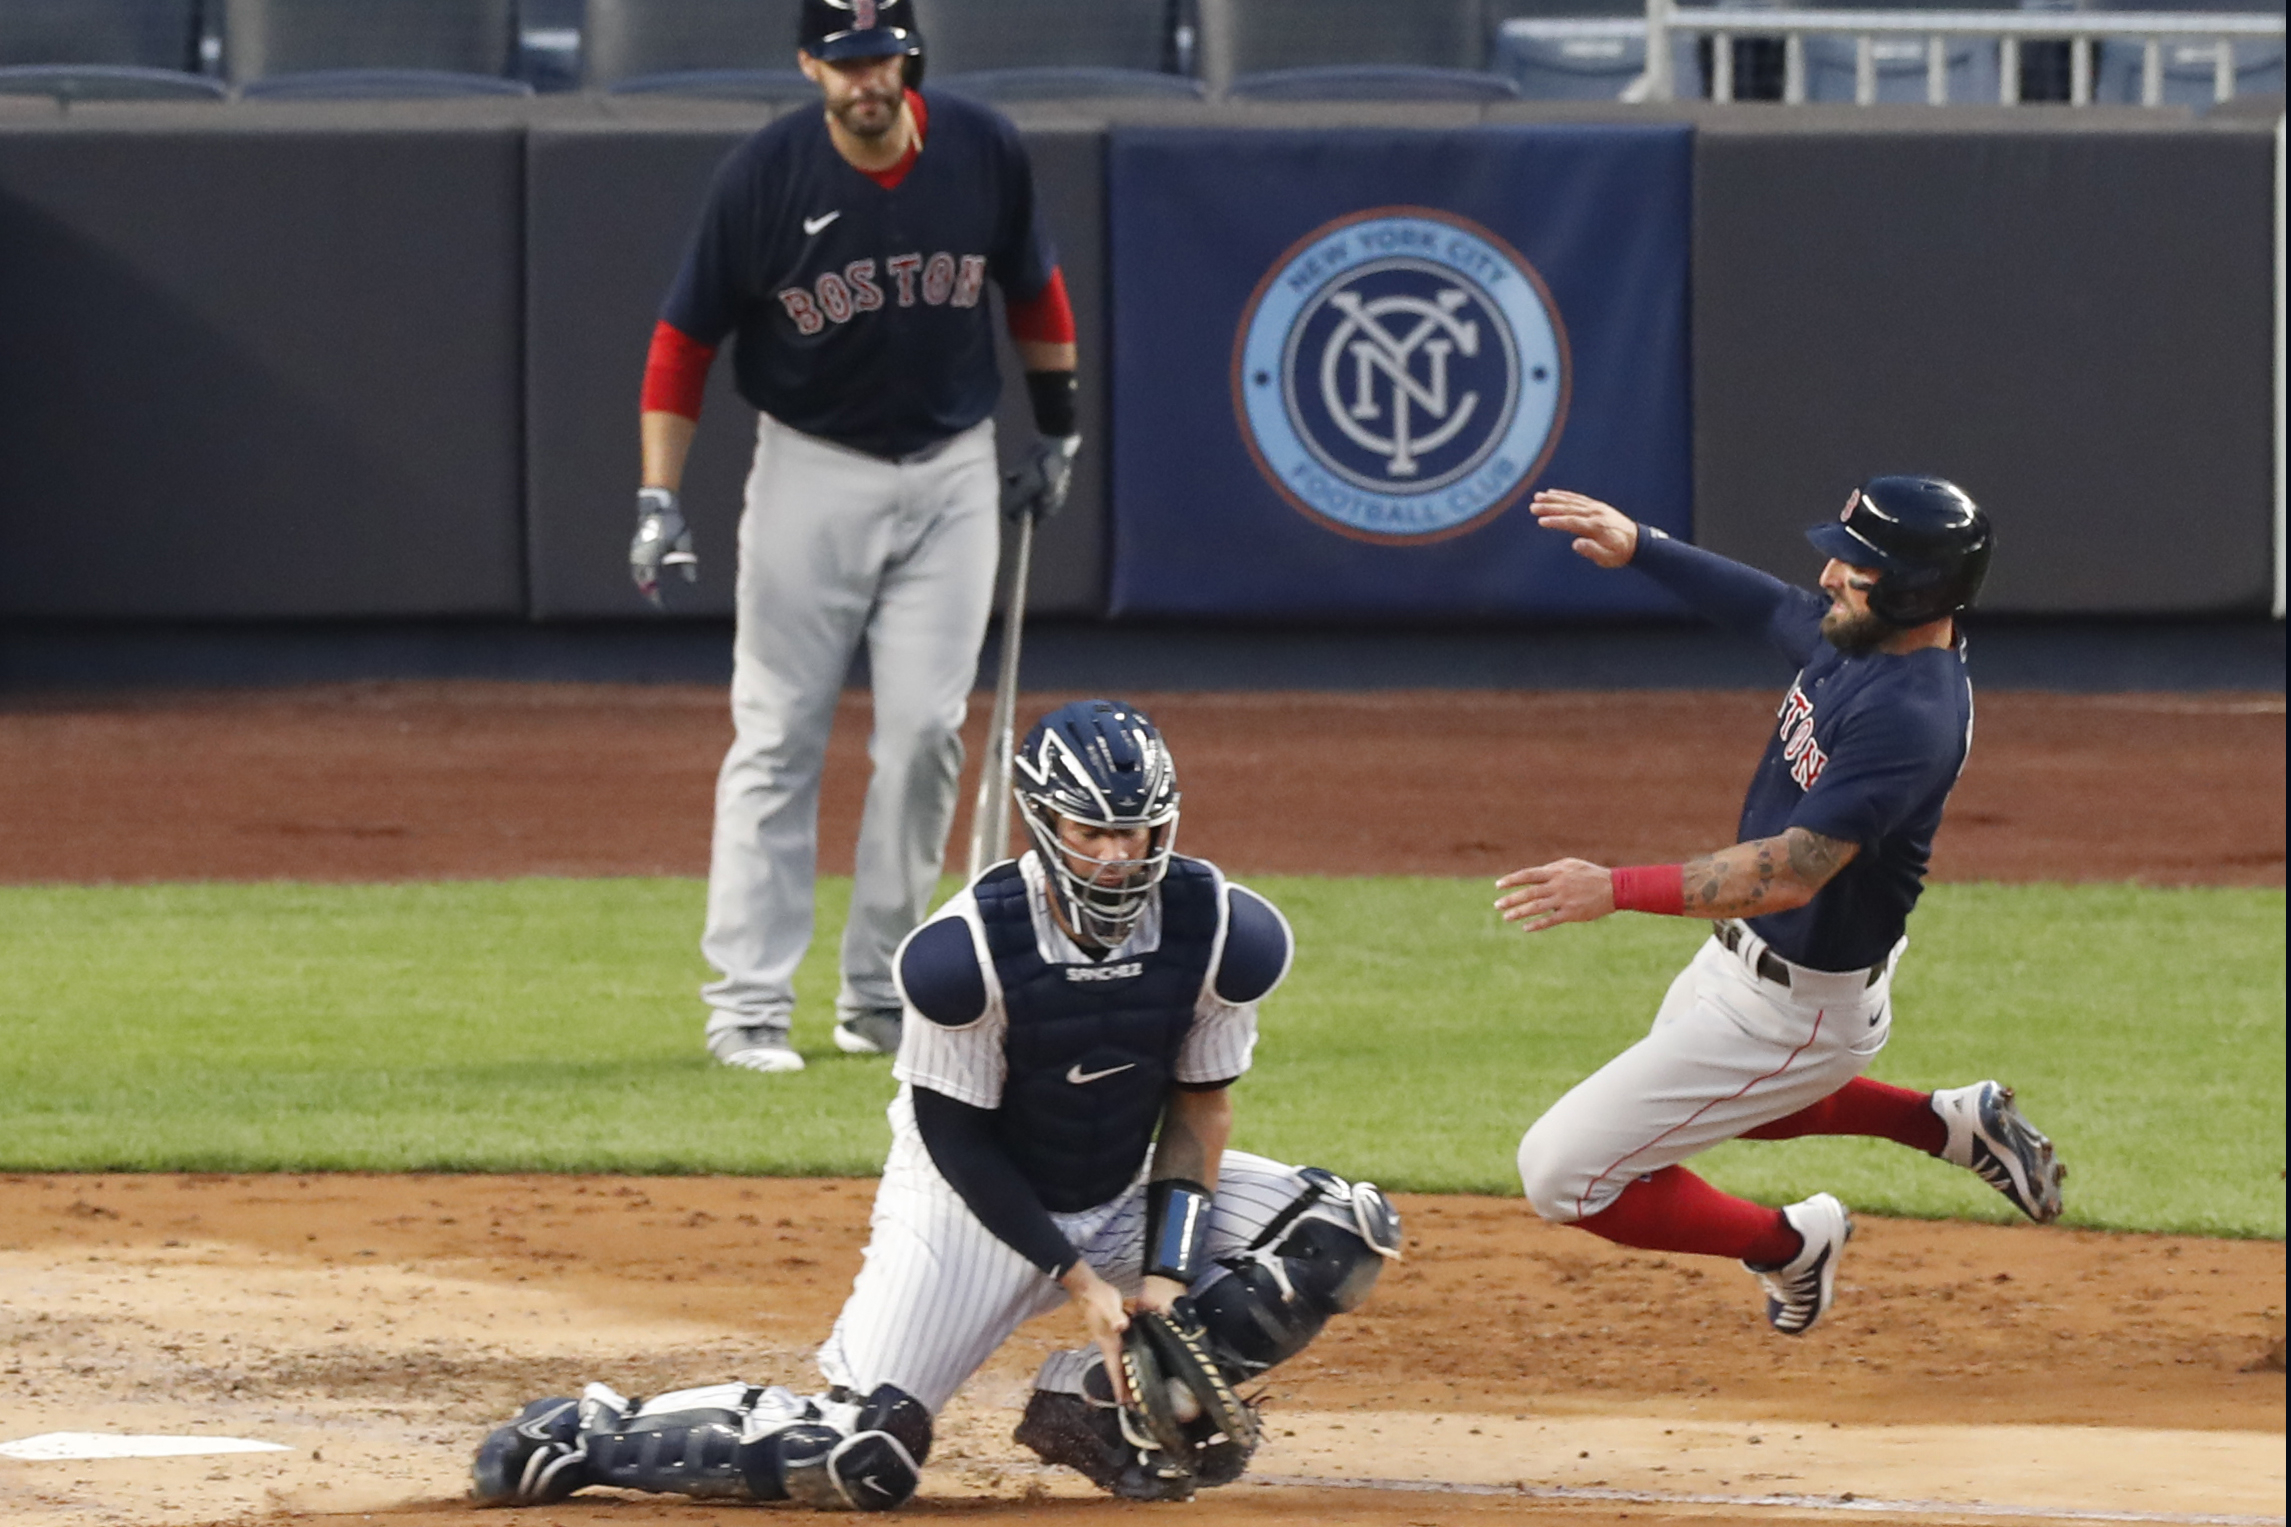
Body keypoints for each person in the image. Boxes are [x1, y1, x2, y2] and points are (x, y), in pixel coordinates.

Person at [471, 700, 1401, 1509]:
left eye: (1139, 832)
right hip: (973, 1212)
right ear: (1042, 824)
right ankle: (587, 1432)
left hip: (1120, 1188)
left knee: (1339, 1232)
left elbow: (1200, 1110)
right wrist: (1080, 1282)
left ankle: (1092, 1407)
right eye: (1093, 833)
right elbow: (951, 1133)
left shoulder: (1222, 929)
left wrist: (1158, 1276)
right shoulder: (962, 956)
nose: (1120, 857)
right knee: (857, 1456)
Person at [629, 0, 1085, 1073]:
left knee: (927, 735)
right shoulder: (763, 176)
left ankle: (880, 990)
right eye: (843, 61)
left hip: (950, 469)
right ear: (808, 67)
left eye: (880, 56)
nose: (865, 79)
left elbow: (1035, 289)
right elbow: (680, 342)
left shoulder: (981, 149)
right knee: (779, 736)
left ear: (907, 58)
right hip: (810, 469)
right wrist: (658, 493)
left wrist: (1058, 430)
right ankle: (746, 1002)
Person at [1501, 479, 2066, 1336]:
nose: (1832, 574)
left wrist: (1611, 888)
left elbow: (1788, 872)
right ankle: (1948, 1123)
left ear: (1918, 589)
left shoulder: (1910, 715)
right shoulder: (1864, 638)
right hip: (1746, 966)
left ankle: (1788, 1243)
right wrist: (1643, 545)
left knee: (1562, 1174)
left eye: (1859, 564)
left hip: (1795, 1006)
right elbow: (1772, 609)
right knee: (1738, 1111)